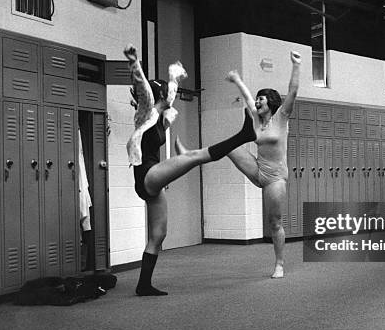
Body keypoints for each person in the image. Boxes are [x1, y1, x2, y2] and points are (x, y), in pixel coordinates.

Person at [124, 45, 256, 296]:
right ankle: (243, 135)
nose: (167, 95)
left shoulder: (162, 112)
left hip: (153, 179)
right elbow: (142, 87)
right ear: (155, 96)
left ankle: (143, 285)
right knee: (195, 156)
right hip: (147, 176)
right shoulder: (145, 114)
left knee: (159, 235)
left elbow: (170, 94)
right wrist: (134, 61)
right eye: (163, 91)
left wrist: (175, 75)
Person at [225, 51, 301, 278]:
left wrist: (296, 65)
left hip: (275, 178)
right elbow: (248, 99)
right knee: (229, 147)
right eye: (257, 99)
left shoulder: (282, 118)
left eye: (262, 99)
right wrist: (237, 80)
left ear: (271, 102)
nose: (257, 101)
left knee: (274, 222)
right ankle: (193, 156)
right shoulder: (257, 121)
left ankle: (279, 264)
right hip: (258, 169)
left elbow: (294, 92)